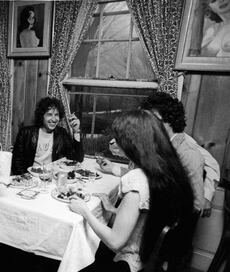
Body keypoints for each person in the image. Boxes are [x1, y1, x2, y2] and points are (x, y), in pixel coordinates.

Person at [70, 110, 195, 272]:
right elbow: (147, 215)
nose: (114, 142)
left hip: (128, 263)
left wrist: (85, 211)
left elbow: (115, 241)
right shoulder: (164, 169)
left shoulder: (136, 179)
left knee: (79, 254)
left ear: (133, 143)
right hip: (150, 256)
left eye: (119, 138)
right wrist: (115, 209)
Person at [100, 92, 220, 218]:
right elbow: (148, 178)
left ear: (168, 121)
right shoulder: (157, 143)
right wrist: (116, 167)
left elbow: (211, 167)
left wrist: (206, 196)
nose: (144, 125)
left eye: (149, 120)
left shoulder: (187, 150)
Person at [11, 97, 84, 175]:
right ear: (42, 116)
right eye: (49, 114)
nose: (53, 119)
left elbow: (77, 158)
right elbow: (16, 163)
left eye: (56, 115)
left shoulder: (61, 133)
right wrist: (26, 179)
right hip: (30, 178)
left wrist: (76, 131)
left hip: (51, 178)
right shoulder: (25, 133)